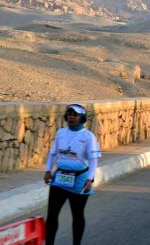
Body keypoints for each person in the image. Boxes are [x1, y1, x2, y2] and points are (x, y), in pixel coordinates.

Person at [44, 104, 101, 245]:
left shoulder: (88, 136)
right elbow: (53, 153)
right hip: (59, 178)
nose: (71, 117)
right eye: (69, 114)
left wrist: (90, 179)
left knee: (77, 215)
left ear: (82, 118)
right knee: (51, 215)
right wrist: (47, 170)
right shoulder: (61, 133)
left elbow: (93, 159)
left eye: (75, 115)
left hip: (80, 179)